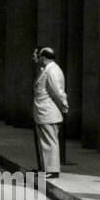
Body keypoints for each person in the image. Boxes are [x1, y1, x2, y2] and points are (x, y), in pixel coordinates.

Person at [32, 47, 68, 178]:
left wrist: (64, 107)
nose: (34, 58)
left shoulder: (52, 71)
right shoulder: (46, 70)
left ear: (43, 57)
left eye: (35, 55)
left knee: (49, 141)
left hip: (49, 112)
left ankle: (52, 170)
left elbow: (58, 92)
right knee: (43, 142)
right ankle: (44, 168)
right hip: (43, 112)